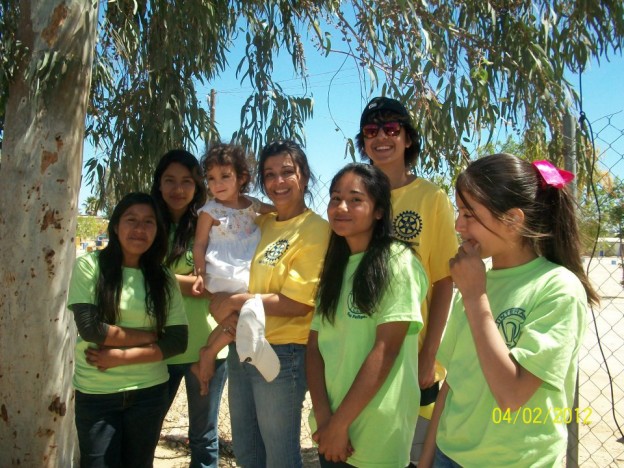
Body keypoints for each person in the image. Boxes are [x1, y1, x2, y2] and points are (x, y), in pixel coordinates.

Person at [420, 154, 599, 467]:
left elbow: (512, 395)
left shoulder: (558, 288)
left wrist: (476, 297)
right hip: (448, 455)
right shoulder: (478, 281)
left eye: (469, 214)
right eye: (459, 212)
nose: (458, 225)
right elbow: (452, 382)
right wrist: (426, 459)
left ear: (513, 220)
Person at [208, 140, 331, 468]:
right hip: (242, 346)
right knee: (248, 451)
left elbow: (298, 303)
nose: (278, 181)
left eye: (287, 172)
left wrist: (233, 301)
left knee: (279, 456)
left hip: (283, 352)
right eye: (269, 174)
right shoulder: (259, 224)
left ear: (304, 175)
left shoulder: (316, 230)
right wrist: (218, 303)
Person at [356, 96, 458, 463]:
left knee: (411, 455)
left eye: (391, 128)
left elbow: (443, 281)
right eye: (371, 130)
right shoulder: (355, 196)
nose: (381, 137)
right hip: (359, 350)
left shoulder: (431, 198)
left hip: (411, 356)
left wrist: (428, 355)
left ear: (408, 138)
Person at [307, 163, 428, 468]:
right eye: (335, 198)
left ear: (379, 211)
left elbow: (386, 350)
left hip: (376, 431)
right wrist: (324, 418)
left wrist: (339, 425)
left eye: (355, 199)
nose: (341, 207)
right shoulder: (335, 267)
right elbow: (314, 347)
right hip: (329, 427)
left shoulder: (398, 262)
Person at [67, 192, 188, 467]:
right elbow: (91, 329)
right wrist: (150, 336)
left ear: (157, 230)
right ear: (115, 226)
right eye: (131, 220)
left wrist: (118, 357)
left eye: (148, 222)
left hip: (149, 392)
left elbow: (177, 341)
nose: (139, 229)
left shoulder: (164, 278)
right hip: (97, 392)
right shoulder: (90, 266)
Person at [151, 149, 231, 467]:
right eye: (169, 180)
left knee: (203, 435)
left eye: (186, 181)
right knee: (146, 429)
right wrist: (183, 280)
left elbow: (219, 285)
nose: (178, 189)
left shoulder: (209, 224)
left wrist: (159, 276)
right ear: (158, 184)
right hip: (160, 345)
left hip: (206, 346)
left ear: (197, 186)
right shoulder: (147, 223)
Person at [190, 143, 274, 393]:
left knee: (238, 319)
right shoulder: (210, 211)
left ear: (242, 178)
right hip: (225, 270)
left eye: (225, 176)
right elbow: (199, 244)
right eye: (211, 178)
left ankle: (208, 352)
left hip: (247, 266)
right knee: (242, 315)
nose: (217, 184)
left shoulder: (252, 205)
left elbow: (278, 210)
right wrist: (199, 273)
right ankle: (210, 352)